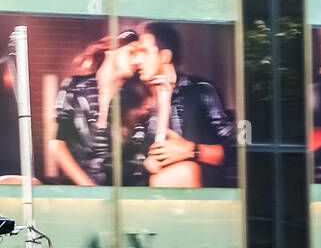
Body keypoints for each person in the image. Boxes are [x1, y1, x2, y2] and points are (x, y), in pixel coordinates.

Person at [127, 21, 237, 188]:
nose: (137, 60)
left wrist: (191, 151)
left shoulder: (201, 90)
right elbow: (130, 162)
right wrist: (145, 163)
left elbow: (238, 145)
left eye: (143, 52)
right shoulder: (138, 101)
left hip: (199, 199)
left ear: (164, 56)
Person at [50, 31, 140, 186]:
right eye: (131, 52)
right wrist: (89, 189)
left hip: (122, 193)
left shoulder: (135, 99)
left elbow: (139, 158)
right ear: (111, 50)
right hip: (79, 187)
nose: (136, 60)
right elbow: (57, 144)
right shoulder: (74, 86)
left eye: (140, 55)